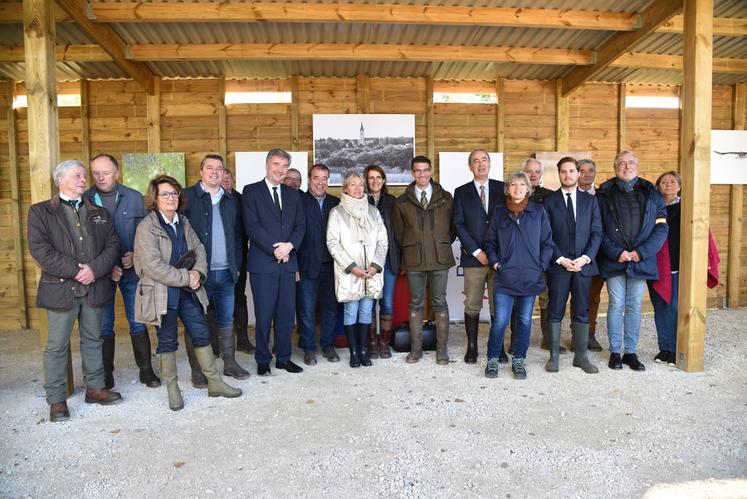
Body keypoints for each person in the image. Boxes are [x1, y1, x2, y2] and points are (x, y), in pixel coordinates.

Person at [134, 175, 241, 411]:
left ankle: (214, 382)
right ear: (155, 198)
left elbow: (199, 249)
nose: (171, 198)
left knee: (201, 333)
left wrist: (199, 274)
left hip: (188, 292)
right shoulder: (147, 227)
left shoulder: (182, 222)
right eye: (165, 194)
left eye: (174, 193)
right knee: (167, 340)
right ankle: (173, 390)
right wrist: (186, 277)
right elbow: (152, 266)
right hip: (162, 293)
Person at [28, 160, 123, 422]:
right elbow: (40, 251)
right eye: (77, 175)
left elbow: (113, 245)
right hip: (61, 290)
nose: (84, 179)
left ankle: (95, 388)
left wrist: (94, 269)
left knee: (93, 340)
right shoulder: (40, 212)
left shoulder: (99, 212)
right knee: (57, 346)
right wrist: (76, 270)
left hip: (94, 287)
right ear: (61, 180)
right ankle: (57, 400)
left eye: (84, 175)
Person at [85, 153, 160, 390]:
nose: (100, 177)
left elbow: (146, 234)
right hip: (101, 274)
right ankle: (106, 375)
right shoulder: (85, 200)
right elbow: (83, 243)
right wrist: (106, 267)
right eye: (95, 172)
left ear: (117, 173)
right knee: (104, 325)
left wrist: (135, 256)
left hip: (131, 272)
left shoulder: (134, 198)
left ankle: (146, 372)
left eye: (105, 172)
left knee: (137, 321)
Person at [596, 151, 668, 372]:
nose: (626, 167)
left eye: (630, 163)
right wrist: (616, 252)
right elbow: (597, 229)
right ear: (614, 166)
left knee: (635, 305)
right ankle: (615, 352)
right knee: (616, 304)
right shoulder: (604, 193)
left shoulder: (651, 193)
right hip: (614, 259)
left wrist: (641, 252)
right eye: (621, 163)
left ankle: (631, 353)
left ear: (637, 166)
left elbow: (661, 227)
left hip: (640, 260)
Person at [183, 154, 250, 385]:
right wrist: (188, 270)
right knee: (196, 321)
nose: (214, 172)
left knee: (225, 320)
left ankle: (229, 363)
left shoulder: (231, 200)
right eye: (209, 168)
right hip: (199, 274)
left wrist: (237, 266)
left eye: (219, 169)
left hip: (227, 273)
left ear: (224, 173)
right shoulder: (188, 197)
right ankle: (198, 371)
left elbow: (238, 237)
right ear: (201, 172)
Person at [242, 148, 306, 376]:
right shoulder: (251, 191)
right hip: (263, 265)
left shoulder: (292, 194)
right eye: (276, 164)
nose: (280, 170)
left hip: (288, 263)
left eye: (284, 166)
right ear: (268, 165)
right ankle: (262, 359)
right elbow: (252, 226)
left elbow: (300, 226)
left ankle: (284, 358)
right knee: (264, 314)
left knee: (287, 315)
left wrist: (289, 246)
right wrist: (276, 249)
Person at [484, 171, 553, 379]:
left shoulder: (538, 212)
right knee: (501, 321)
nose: (518, 188)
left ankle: (519, 360)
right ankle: (493, 359)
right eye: (513, 184)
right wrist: (496, 264)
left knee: (524, 320)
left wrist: (539, 266)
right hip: (505, 277)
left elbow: (547, 243)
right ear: (508, 189)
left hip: (530, 277)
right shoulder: (499, 213)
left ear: (528, 189)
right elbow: (490, 243)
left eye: (522, 184)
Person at [647, 171, 720, 366]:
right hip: (656, 266)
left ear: (680, 186)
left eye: (673, 182)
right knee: (660, 307)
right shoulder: (652, 208)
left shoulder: (688, 208)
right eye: (664, 182)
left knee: (674, 307)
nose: (668, 185)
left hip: (679, 266)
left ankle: (678, 348)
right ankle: (665, 349)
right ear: (657, 186)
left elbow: (703, 234)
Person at [393, 156, 455, 365]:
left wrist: (440, 242)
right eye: (417, 171)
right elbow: (399, 234)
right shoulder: (402, 202)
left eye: (425, 170)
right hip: (414, 259)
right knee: (415, 303)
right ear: (412, 173)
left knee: (440, 302)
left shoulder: (446, 198)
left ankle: (442, 350)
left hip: (439, 257)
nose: (422, 175)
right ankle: (416, 349)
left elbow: (452, 229)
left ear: (431, 171)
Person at [543, 157, 602, 374]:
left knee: (582, 311)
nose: (567, 175)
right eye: (563, 172)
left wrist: (586, 258)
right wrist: (560, 259)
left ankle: (581, 356)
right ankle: (554, 357)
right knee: (555, 309)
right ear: (559, 174)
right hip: (559, 266)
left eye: (571, 171)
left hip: (583, 265)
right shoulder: (549, 202)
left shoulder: (590, 201)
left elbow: (597, 233)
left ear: (578, 174)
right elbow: (546, 235)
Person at [327, 172, 388, 368]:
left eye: (360, 184)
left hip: (371, 271)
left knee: (366, 311)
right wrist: (352, 267)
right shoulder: (337, 212)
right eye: (353, 185)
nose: (358, 188)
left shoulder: (373, 211)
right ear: (345, 188)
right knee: (351, 311)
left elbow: (382, 241)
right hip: (350, 272)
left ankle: (363, 350)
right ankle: (354, 352)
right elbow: (333, 243)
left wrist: (375, 265)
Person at [452, 149, 506, 364]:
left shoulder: (502, 189)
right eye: (476, 161)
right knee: (472, 304)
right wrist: (476, 251)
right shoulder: (461, 192)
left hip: (499, 259)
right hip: (473, 258)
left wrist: (495, 254)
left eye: (484, 160)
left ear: (490, 164)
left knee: (498, 305)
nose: (481, 164)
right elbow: (458, 223)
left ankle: (498, 346)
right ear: (470, 166)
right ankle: (472, 347)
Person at [297, 164, 340, 365]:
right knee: (306, 309)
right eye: (316, 178)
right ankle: (308, 348)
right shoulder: (298, 200)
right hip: (306, 265)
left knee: (331, 308)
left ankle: (328, 345)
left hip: (333, 265)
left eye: (324, 178)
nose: (320, 182)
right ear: (309, 179)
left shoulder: (336, 203)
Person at [364, 165, 401, 359]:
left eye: (379, 177)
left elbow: (399, 233)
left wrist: (401, 260)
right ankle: (371, 343)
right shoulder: (360, 201)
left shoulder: (393, 202)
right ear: (366, 181)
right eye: (371, 178)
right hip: (368, 262)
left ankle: (384, 343)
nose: (375, 181)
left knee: (386, 303)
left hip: (388, 260)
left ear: (384, 180)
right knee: (369, 303)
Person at [520, 157, 555, 353]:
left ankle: (548, 340)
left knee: (546, 299)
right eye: (529, 171)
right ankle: (518, 340)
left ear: (541, 175)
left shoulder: (550, 196)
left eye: (536, 171)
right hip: (519, 258)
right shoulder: (514, 195)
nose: (533, 174)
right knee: (520, 299)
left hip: (543, 258)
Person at [220, 169, 255, 354]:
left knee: (239, 298)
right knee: (215, 301)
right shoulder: (213, 200)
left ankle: (242, 340)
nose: (225, 180)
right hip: (216, 259)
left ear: (233, 179)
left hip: (239, 256)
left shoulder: (241, 199)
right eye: (222, 177)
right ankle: (218, 343)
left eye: (228, 177)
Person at [577, 159, 604, 352]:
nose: (587, 174)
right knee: (576, 297)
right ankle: (577, 335)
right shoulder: (567, 194)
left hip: (598, 255)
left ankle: (590, 334)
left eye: (590, 170)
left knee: (593, 297)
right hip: (573, 256)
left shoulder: (603, 196)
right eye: (582, 171)